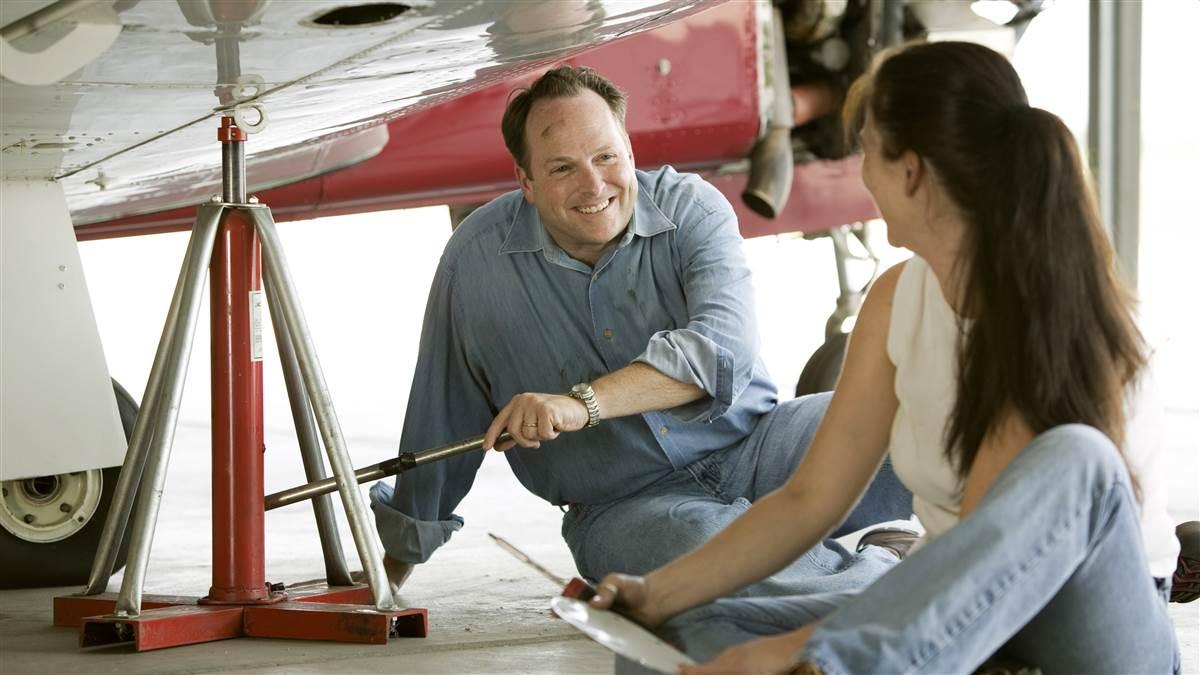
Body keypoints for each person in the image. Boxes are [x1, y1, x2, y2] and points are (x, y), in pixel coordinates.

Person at [591, 41, 1183, 674]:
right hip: (936, 625)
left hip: (1081, 631)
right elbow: (808, 500)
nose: (861, 171)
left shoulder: (1066, 312)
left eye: (868, 150)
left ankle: (842, 664)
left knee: (1078, 457)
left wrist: (793, 651)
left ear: (911, 171)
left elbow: (984, 570)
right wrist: (656, 596)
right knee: (671, 639)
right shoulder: (898, 298)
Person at [367, 65, 913, 598]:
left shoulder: (692, 208)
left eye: (607, 157)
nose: (593, 184)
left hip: (759, 447)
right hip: (623, 507)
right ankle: (890, 575)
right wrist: (392, 570)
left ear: (629, 151)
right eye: (561, 169)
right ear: (526, 182)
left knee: (921, 421)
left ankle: (849, 585)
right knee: (705, 550)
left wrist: (581, 404)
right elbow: (442, 413)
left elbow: (721, 352)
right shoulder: (476, 262)